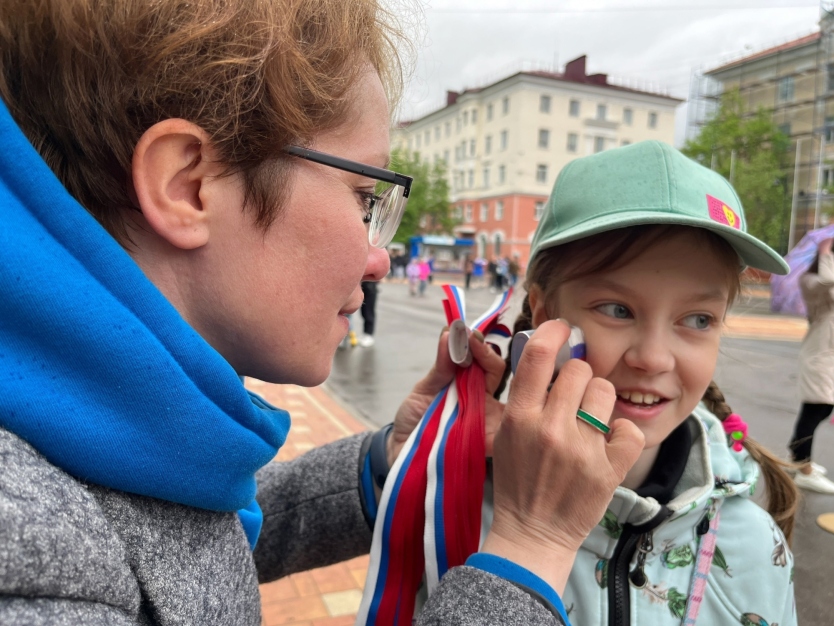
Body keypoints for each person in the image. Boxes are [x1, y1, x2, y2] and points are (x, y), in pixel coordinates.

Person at [0, 2, 644, 625]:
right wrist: (532, 544)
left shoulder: (90, 427)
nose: (379, 259)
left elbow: (177, 538)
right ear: (188, 186)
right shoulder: (26, 545)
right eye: (364, 198)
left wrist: (395, 458)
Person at [488, 141, 797, 625]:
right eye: (617, 310)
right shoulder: (454, 503)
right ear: (546, 316)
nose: (653, 358)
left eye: (698, 319)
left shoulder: (756, 545)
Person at [788, 237, 834, 493]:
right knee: (815, 411)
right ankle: (803, 468)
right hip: (819, 358)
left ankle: (797, 456)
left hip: (828, 357)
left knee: (820, 410)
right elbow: (829, 280)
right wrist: (826, 251)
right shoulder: (811, 281)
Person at [358, 281, 377, 347]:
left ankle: (369, 334)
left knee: (368, 312)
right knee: (364, 312)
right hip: (364, 286)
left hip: (370, 286)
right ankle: (365, 333)